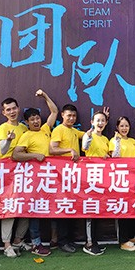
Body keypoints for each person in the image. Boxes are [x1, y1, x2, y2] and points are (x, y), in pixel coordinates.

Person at [12, 99, 60, 257]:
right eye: (32, 119)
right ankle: (36, 243)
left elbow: (54, 112)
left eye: (37, 118)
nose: (35, 121)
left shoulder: (45, 129)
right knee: (35, 211)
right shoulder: (26, 135)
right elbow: (16, 155)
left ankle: (55, 240)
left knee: (54, 207)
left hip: (51, 179)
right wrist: (34, 155)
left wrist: (45, 96)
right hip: (36, 180)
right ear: (26, 122)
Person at [0, 97, 30, 253]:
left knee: (26, 205)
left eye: (14, 108)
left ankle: (18, 240)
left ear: (18, 108)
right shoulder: (2, 128)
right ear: (3, 112)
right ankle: (6, 244)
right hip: (8, 172)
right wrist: (8, 140)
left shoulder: (24, 128)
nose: (12, 112)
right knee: (9, 206)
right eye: (8, 110)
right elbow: (2, 150)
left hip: (25, 171)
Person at [49, 104, 85, 253]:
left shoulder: (74, 131)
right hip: (61, 176)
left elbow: (89, 135)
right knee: (63, 207)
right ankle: (62, 241)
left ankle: (69, 240)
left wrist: (102, 120)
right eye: (69, 115)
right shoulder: (58, 130)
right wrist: (70, 150)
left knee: (71, 207)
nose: (71, 118)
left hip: (73, 175)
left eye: (74, 116)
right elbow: (52, 149)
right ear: (62, 115)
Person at [109, 116, 135, 252]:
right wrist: (117, 142)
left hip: (133, 180)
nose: (124, 128)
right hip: (119, 179)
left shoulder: (134, 141)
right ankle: (123, 241)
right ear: (117, 127)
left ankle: (131, 236)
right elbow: (114, 157)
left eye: (126, 125)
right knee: (122, 209)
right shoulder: (113, 140)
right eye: (121, 126)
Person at [81, 110, 111, 256]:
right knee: (91, 210)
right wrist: (88, 136)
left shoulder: (105, 139)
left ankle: (95, 241)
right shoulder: (88, 135)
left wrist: (106, 157)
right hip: (90, 177)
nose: (100, 123)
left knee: (98, 210)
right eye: (97, 120)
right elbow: (85, 148)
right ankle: (89, 243)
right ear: (92, 122)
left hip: (102, 178)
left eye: (103, 120)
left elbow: (108, 155)